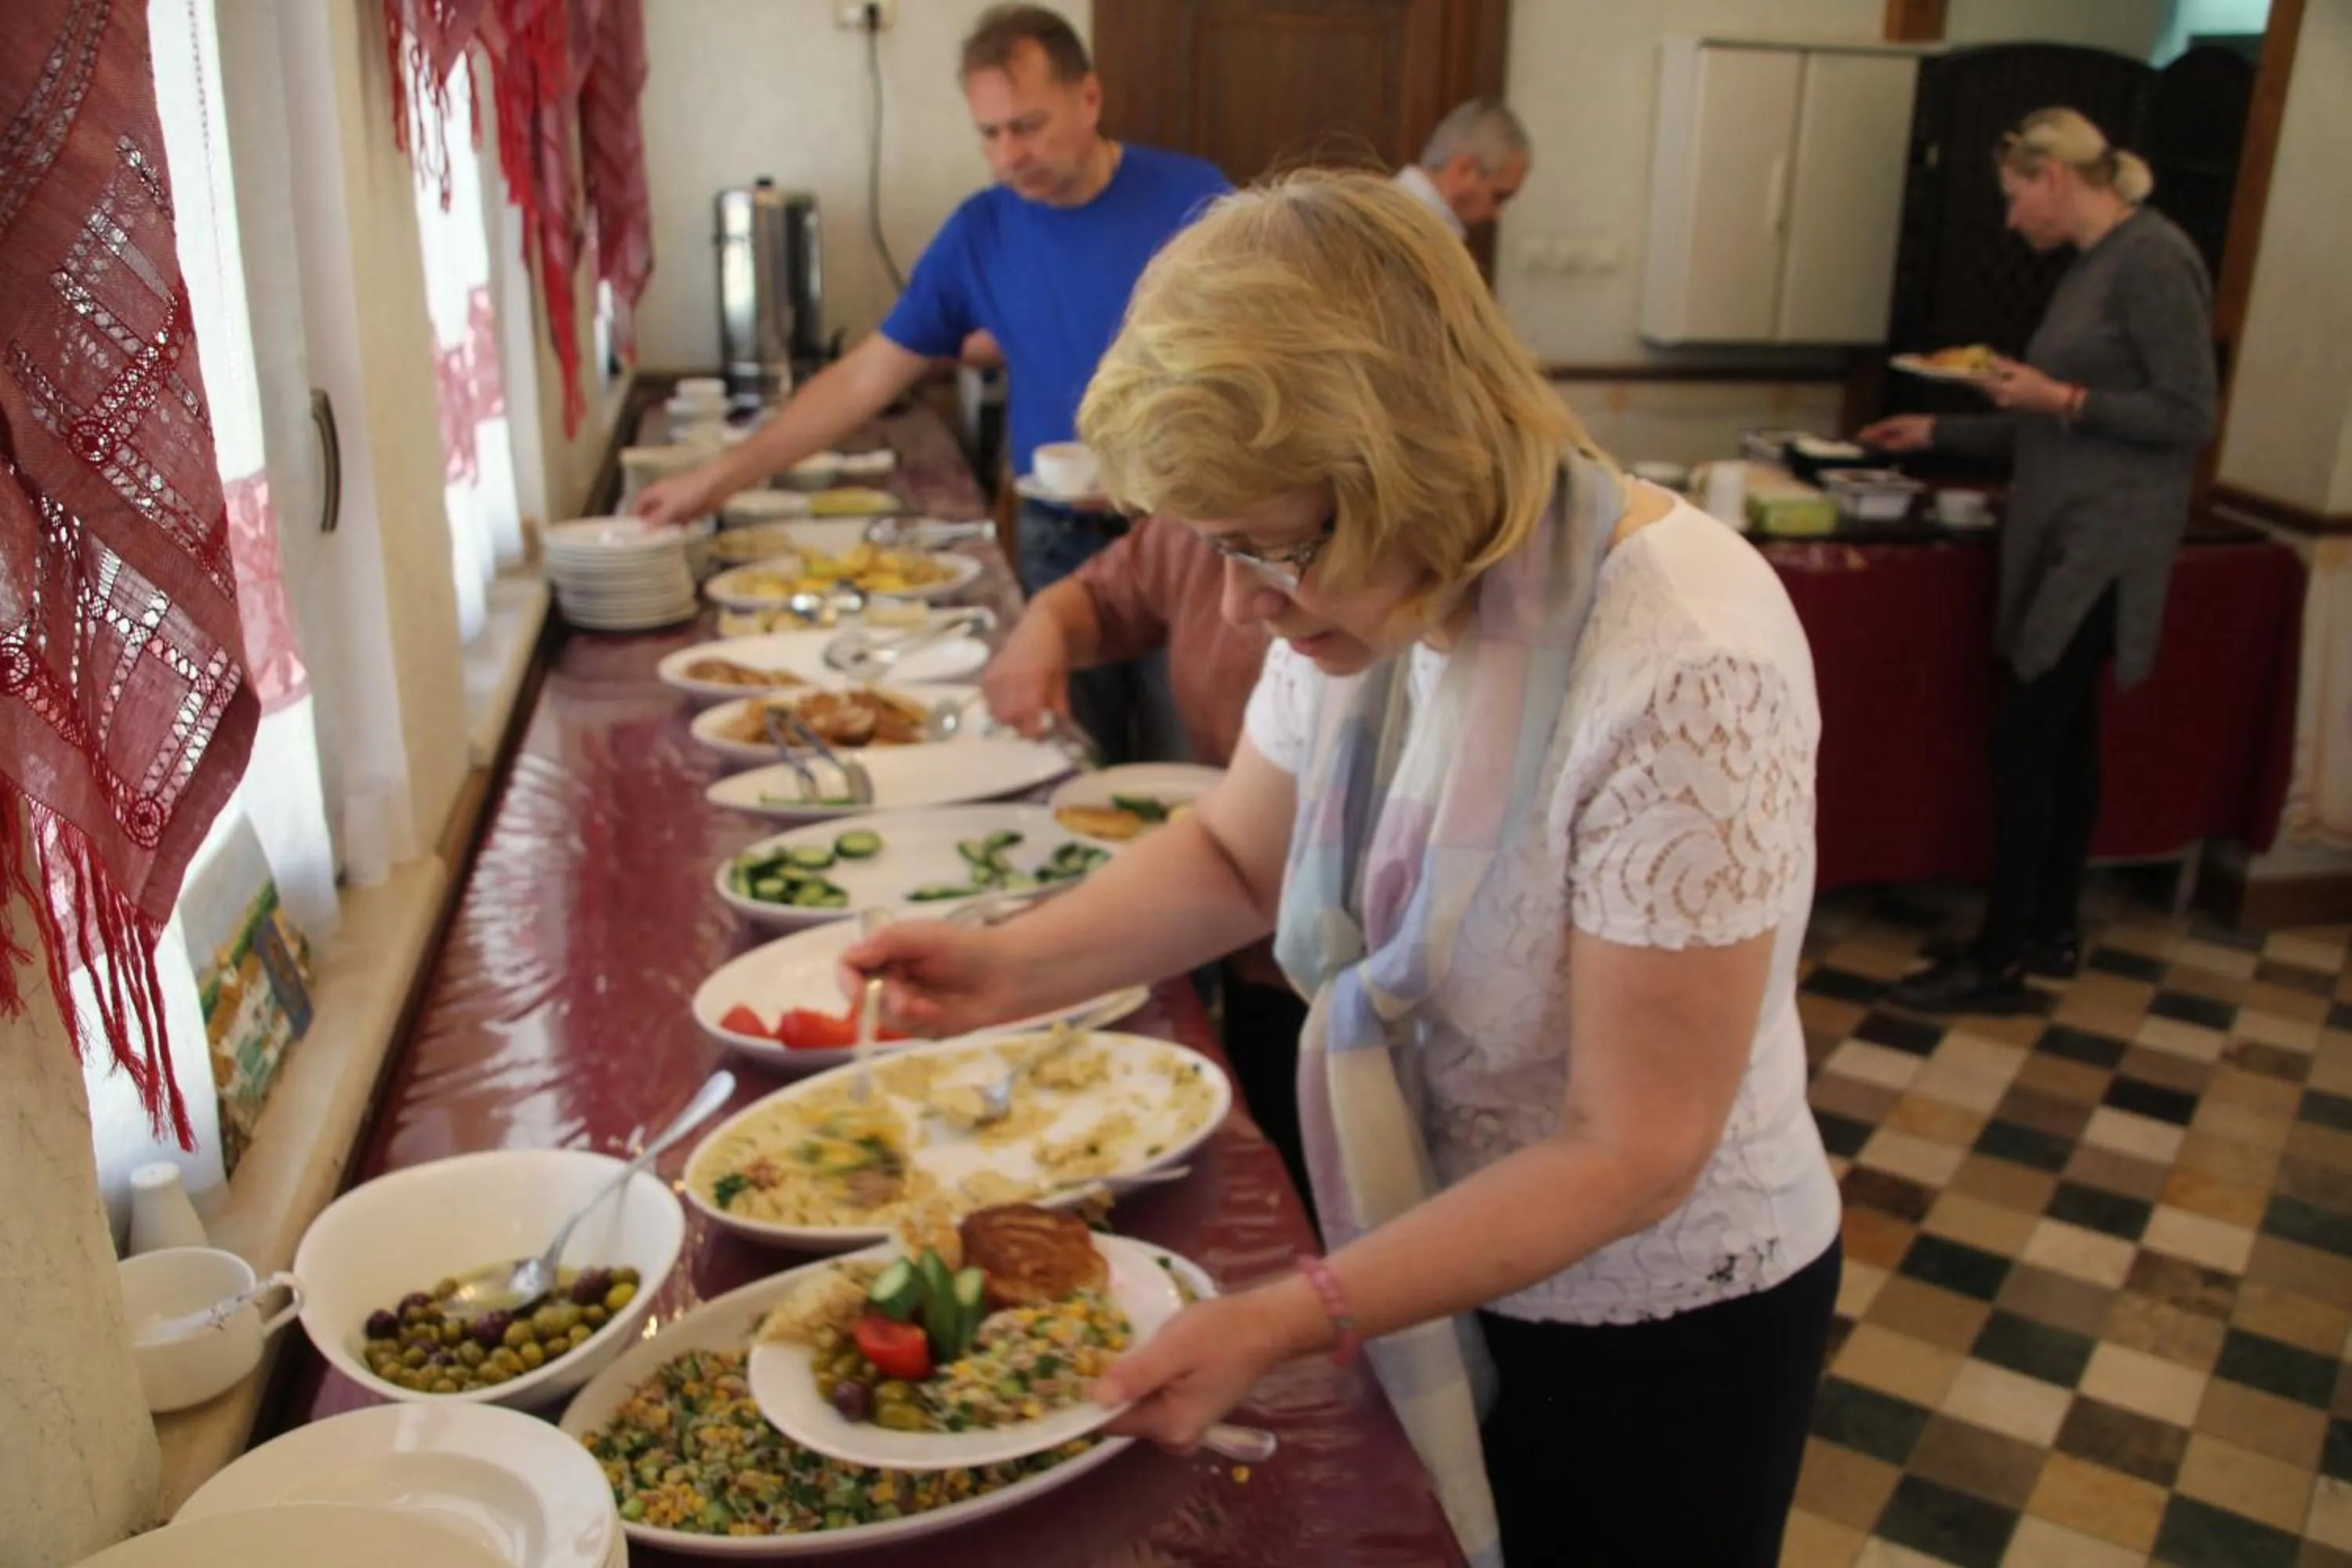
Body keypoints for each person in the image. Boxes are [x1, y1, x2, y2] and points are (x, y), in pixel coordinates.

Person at [847, 170, 1840, 1567]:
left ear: (1419, 463)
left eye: (1276, 548)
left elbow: (1634, 1149)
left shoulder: (1685, 661)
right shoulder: (1373, 593)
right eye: (1219, 549)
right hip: (1436, 1223)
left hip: (1653, 1320)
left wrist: (1287, 1311)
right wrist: (1010, 964)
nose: (1246, 603)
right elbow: (1238, 855)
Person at [633, 5, 1229, 759]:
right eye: (990, 133)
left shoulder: (1195, 200)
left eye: (1030, 126)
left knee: (1195, 769)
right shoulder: (981, 231)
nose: (1010, 154)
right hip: (1061, 543)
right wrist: (715, 481)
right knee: (1076, 762)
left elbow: (1266, 364)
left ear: (1090, 99)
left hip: (1193, 534)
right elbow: (862, 381)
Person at [1862, 108, 2216, 1014]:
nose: (2014, 220)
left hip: (2108, 543)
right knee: (2066, 737)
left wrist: (2060, 393)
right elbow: (2048, 418)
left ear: (2055, 177)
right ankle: (2051, 928)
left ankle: (1998, 958)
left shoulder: (2154, 258)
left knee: (2025, 737)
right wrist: (1941, 426)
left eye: (2018, 197)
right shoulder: (2094, 268)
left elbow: (2186, 414)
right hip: (2066, 527)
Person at [983, 520, 1305, 1196]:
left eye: (1271, 551)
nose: (1237, 603)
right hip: (1257, 952)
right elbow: (1107, 595)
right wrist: (1043, 620)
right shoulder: (1196, 518)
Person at [1392, 98, 1530, 237]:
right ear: (1464, 170)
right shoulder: (1404, 228)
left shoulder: (1393, 209)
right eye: (1498, 196)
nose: (1497, 214)